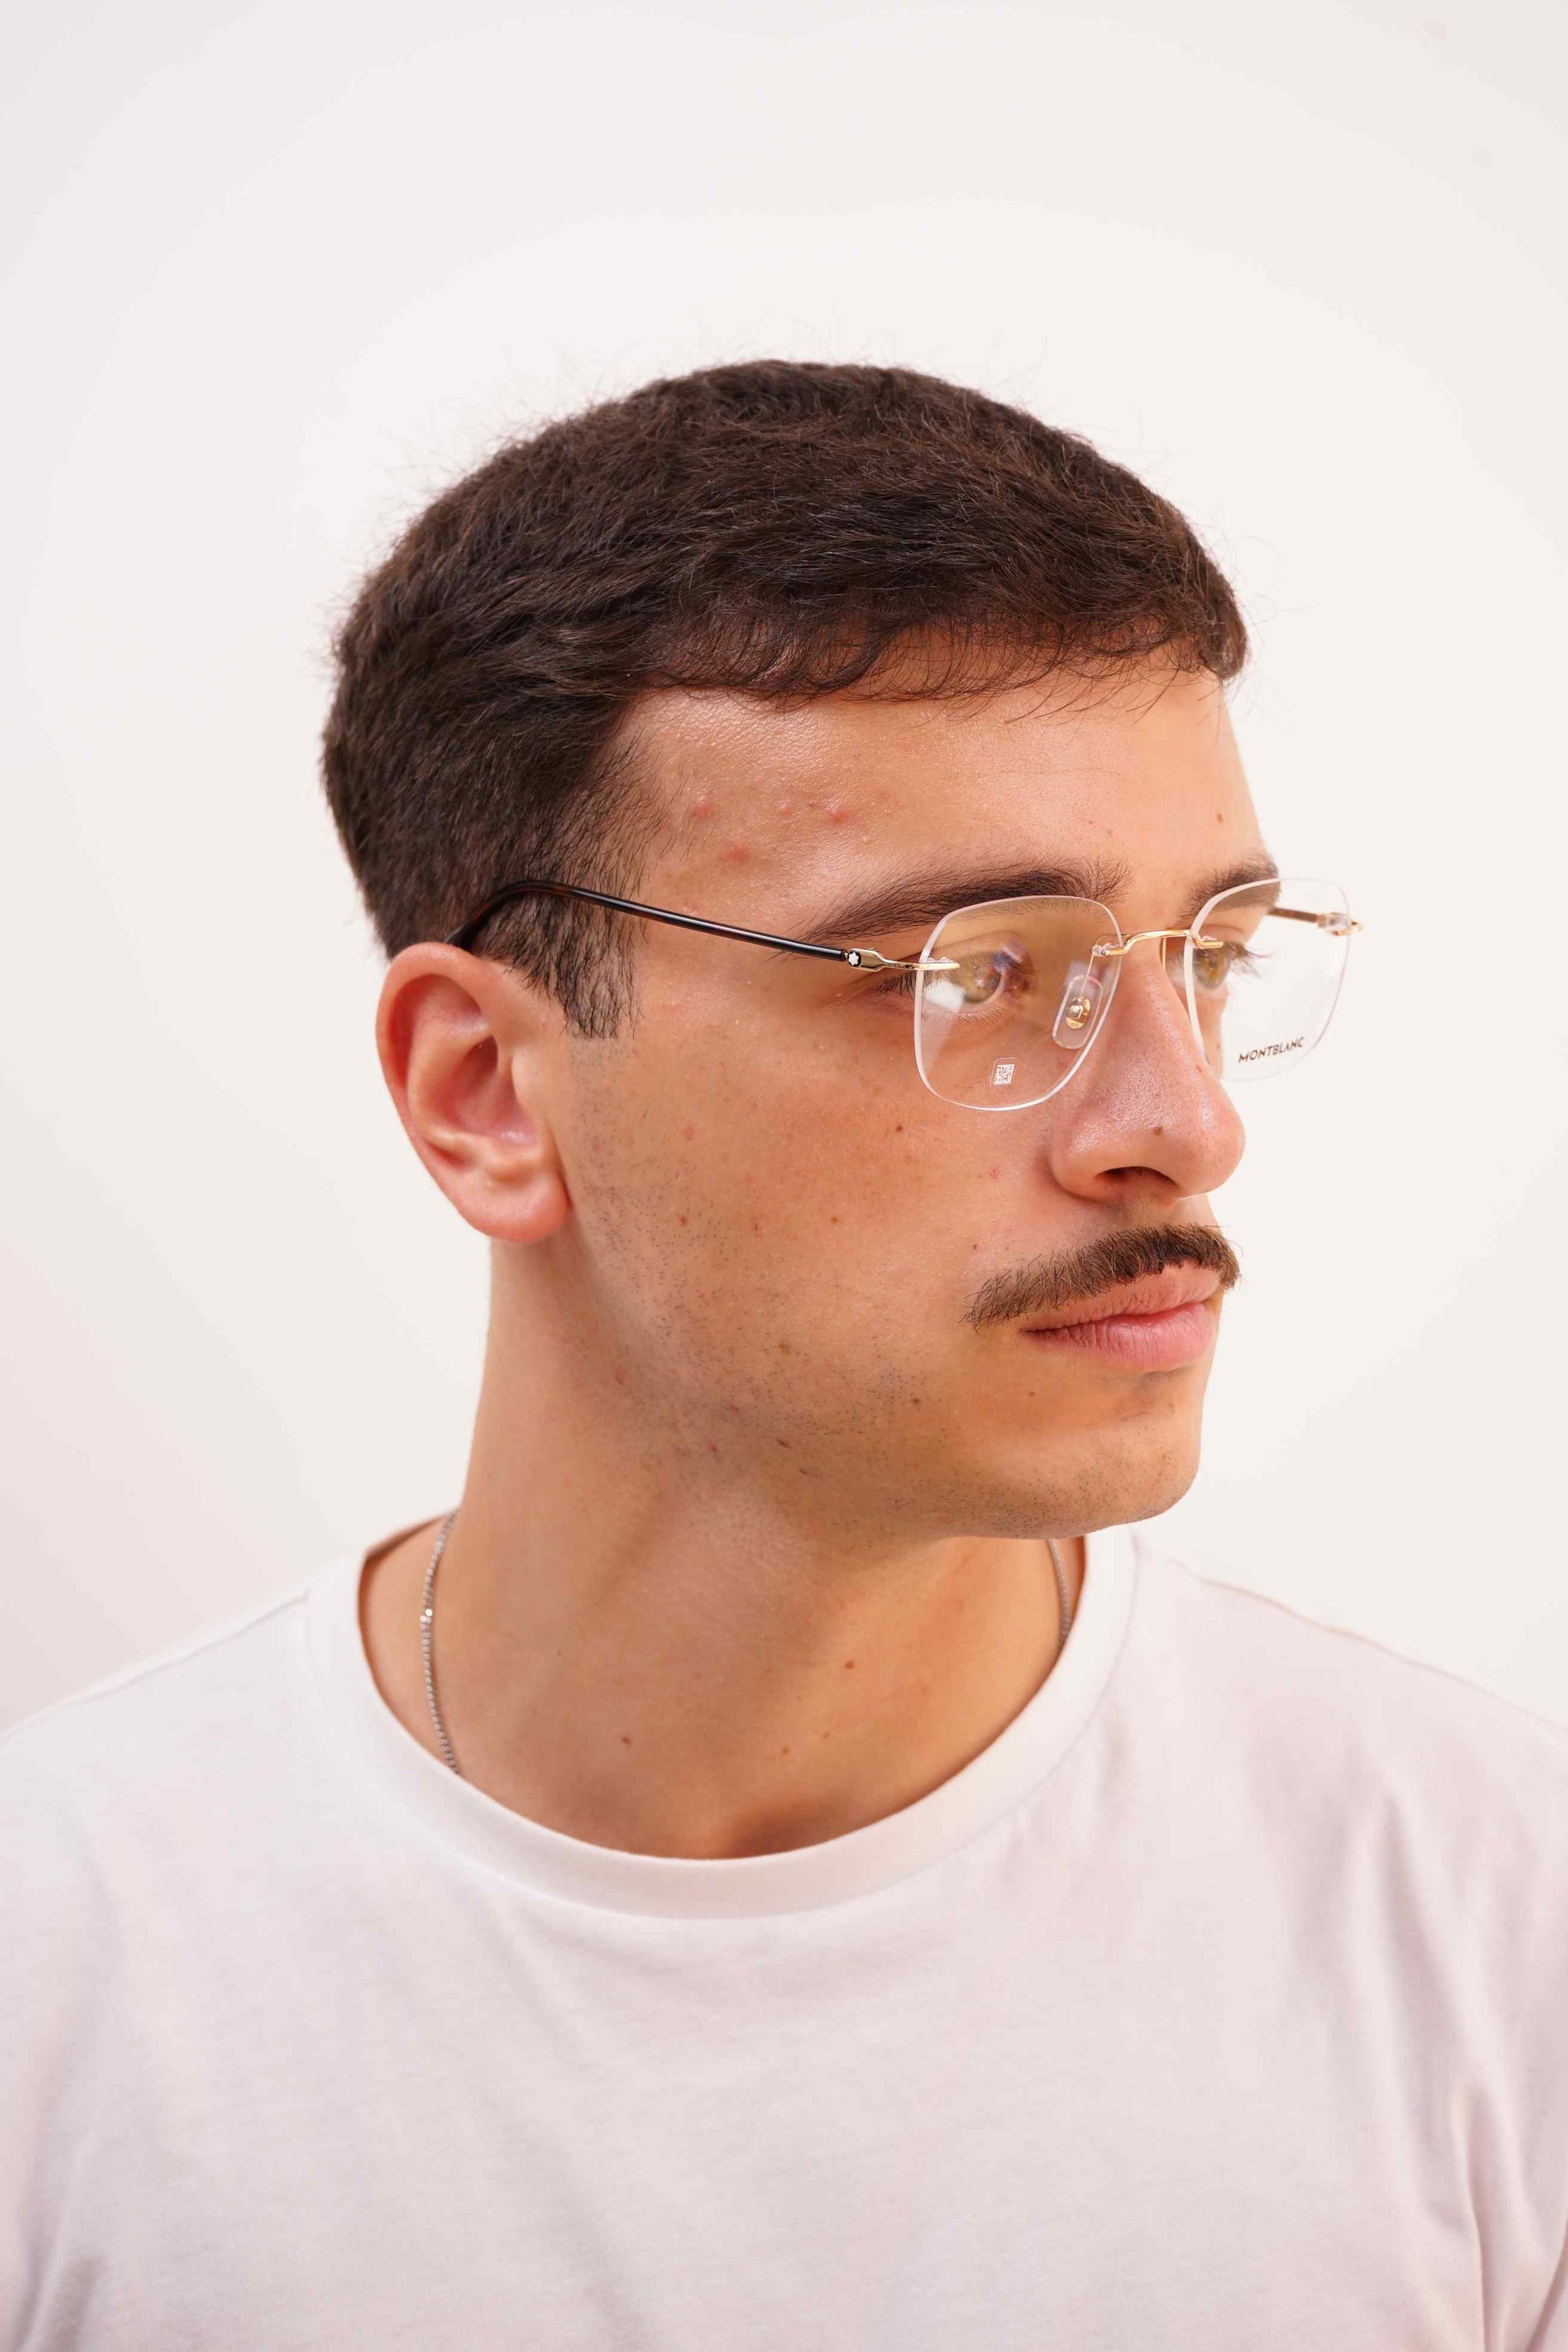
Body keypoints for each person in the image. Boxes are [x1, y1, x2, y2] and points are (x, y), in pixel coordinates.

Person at [2, 360, 1565, 2350]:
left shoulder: (1491, 1931)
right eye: (980, 972)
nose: (1185, 1122)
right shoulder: (61, 1973)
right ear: (486, 1089)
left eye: (1211, 956)